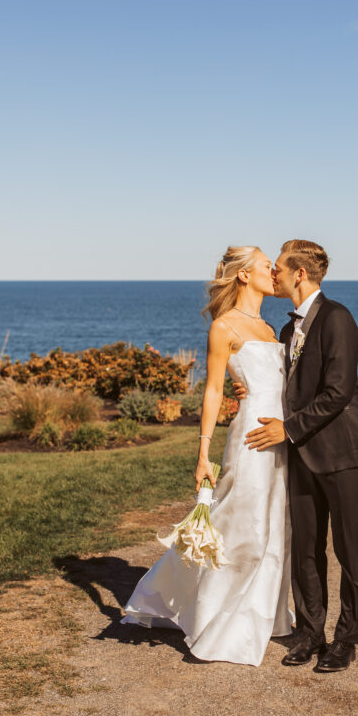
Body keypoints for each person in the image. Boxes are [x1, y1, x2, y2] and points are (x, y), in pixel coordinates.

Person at [121, 246, 293, 666]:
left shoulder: (273, 328)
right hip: (251, 434)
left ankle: (263, 615)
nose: (275, 272)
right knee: (241, 520)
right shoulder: (223, 327)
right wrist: (203, 453)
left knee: (275, 524)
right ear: (243, 276)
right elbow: (214, 389)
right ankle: (218, 618)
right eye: (266, 267)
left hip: (283, 436)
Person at [240, 240, 358, 672]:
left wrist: (287, 429)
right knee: (305, 548)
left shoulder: (337, 318)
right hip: (301, 457)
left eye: (279, 269)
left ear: (299, 275)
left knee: (350, 549)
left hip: (343, 454)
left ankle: (346, 639)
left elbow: (338, 391)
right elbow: (284, 386)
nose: (273, 275)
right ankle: (310, 631)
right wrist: (248, 392)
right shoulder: (289, 330)